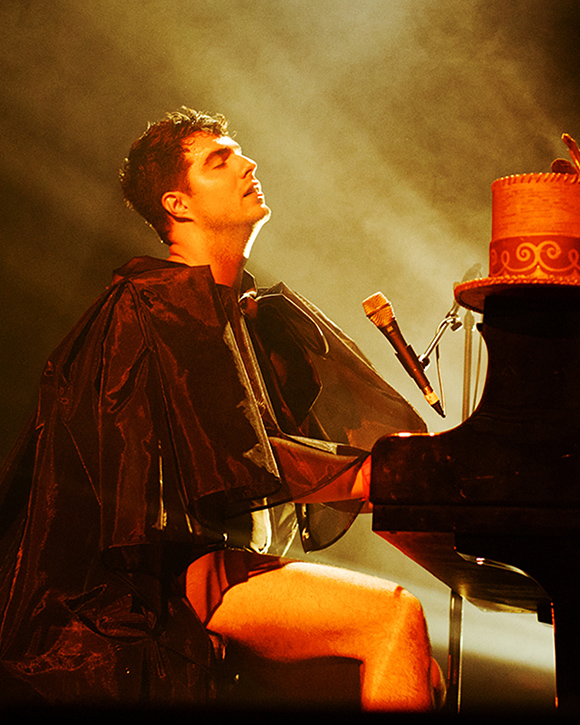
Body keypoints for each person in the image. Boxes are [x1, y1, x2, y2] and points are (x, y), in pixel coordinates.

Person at [0, 108, 443, 711]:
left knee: (421, 669)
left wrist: (384, 469)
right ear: (177, 205)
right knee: (396, 618)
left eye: (239, 153)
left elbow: (268, 447)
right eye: (219, 160)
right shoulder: (152, 305)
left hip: (214, 574)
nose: (248, 163)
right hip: (147, 592)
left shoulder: (241, 313)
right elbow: (222, 456)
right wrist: (377, 472)